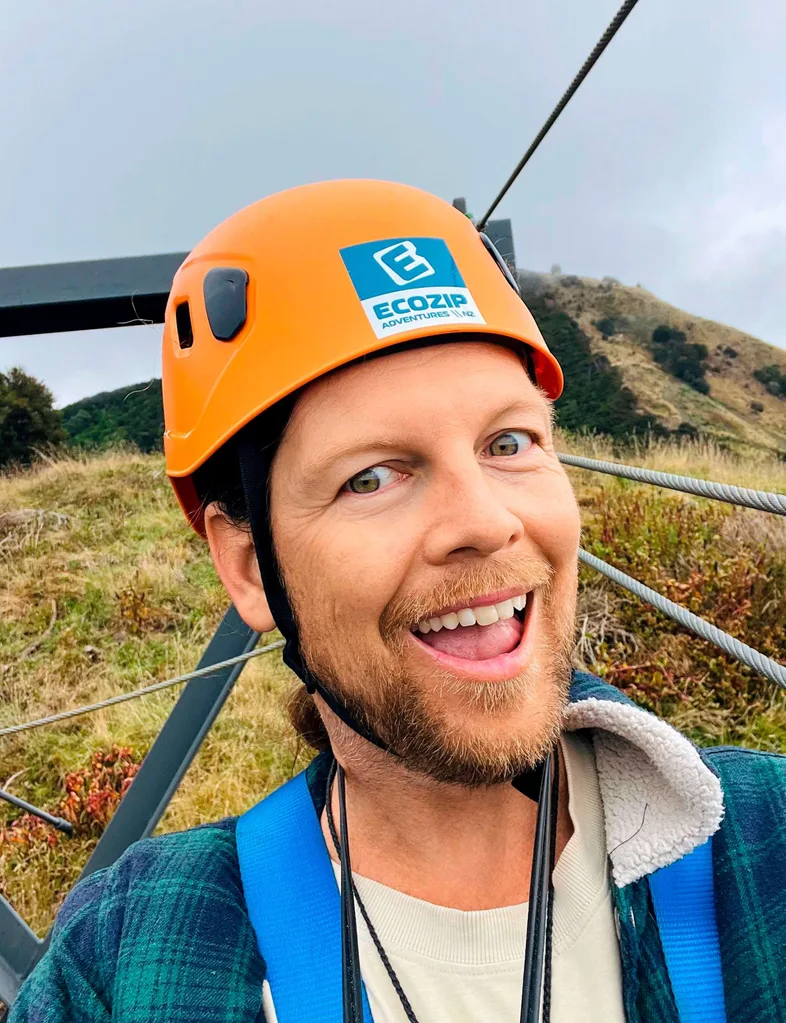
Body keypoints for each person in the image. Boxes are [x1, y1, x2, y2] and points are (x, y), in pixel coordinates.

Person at [10, 181, 786, 1023]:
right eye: (371, 476)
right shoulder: (128, 958)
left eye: (510, 442)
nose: (486, 522)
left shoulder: (765, 847)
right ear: (249, 568)